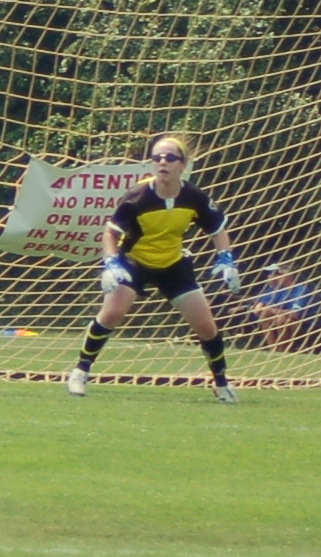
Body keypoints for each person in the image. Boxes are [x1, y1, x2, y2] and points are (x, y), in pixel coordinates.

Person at [67, 134, 240, 403]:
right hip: (134, 262)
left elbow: (217, 228)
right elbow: (110, 232)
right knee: (112, 313)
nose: (162, 162)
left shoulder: (193, 196)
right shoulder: (137, 197)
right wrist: (111, 263)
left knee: (206, 327)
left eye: (170, 157)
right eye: (157, 157)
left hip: (173, 264)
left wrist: (226, 258)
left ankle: (221, 383)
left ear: (183, 165)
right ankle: (80, 371)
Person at [250, 259, 319, 353]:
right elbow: (261, 307)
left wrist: (272, 310)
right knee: (265, 314)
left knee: (280, 319)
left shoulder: (301, 290)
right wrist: (263, 308)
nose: (273, 276)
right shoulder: (279, 290)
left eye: (278, 273)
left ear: (289, 275)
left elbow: (296, 314)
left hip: (304, 324)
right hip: (285, 320)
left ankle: (283, 351)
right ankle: (273, 350)